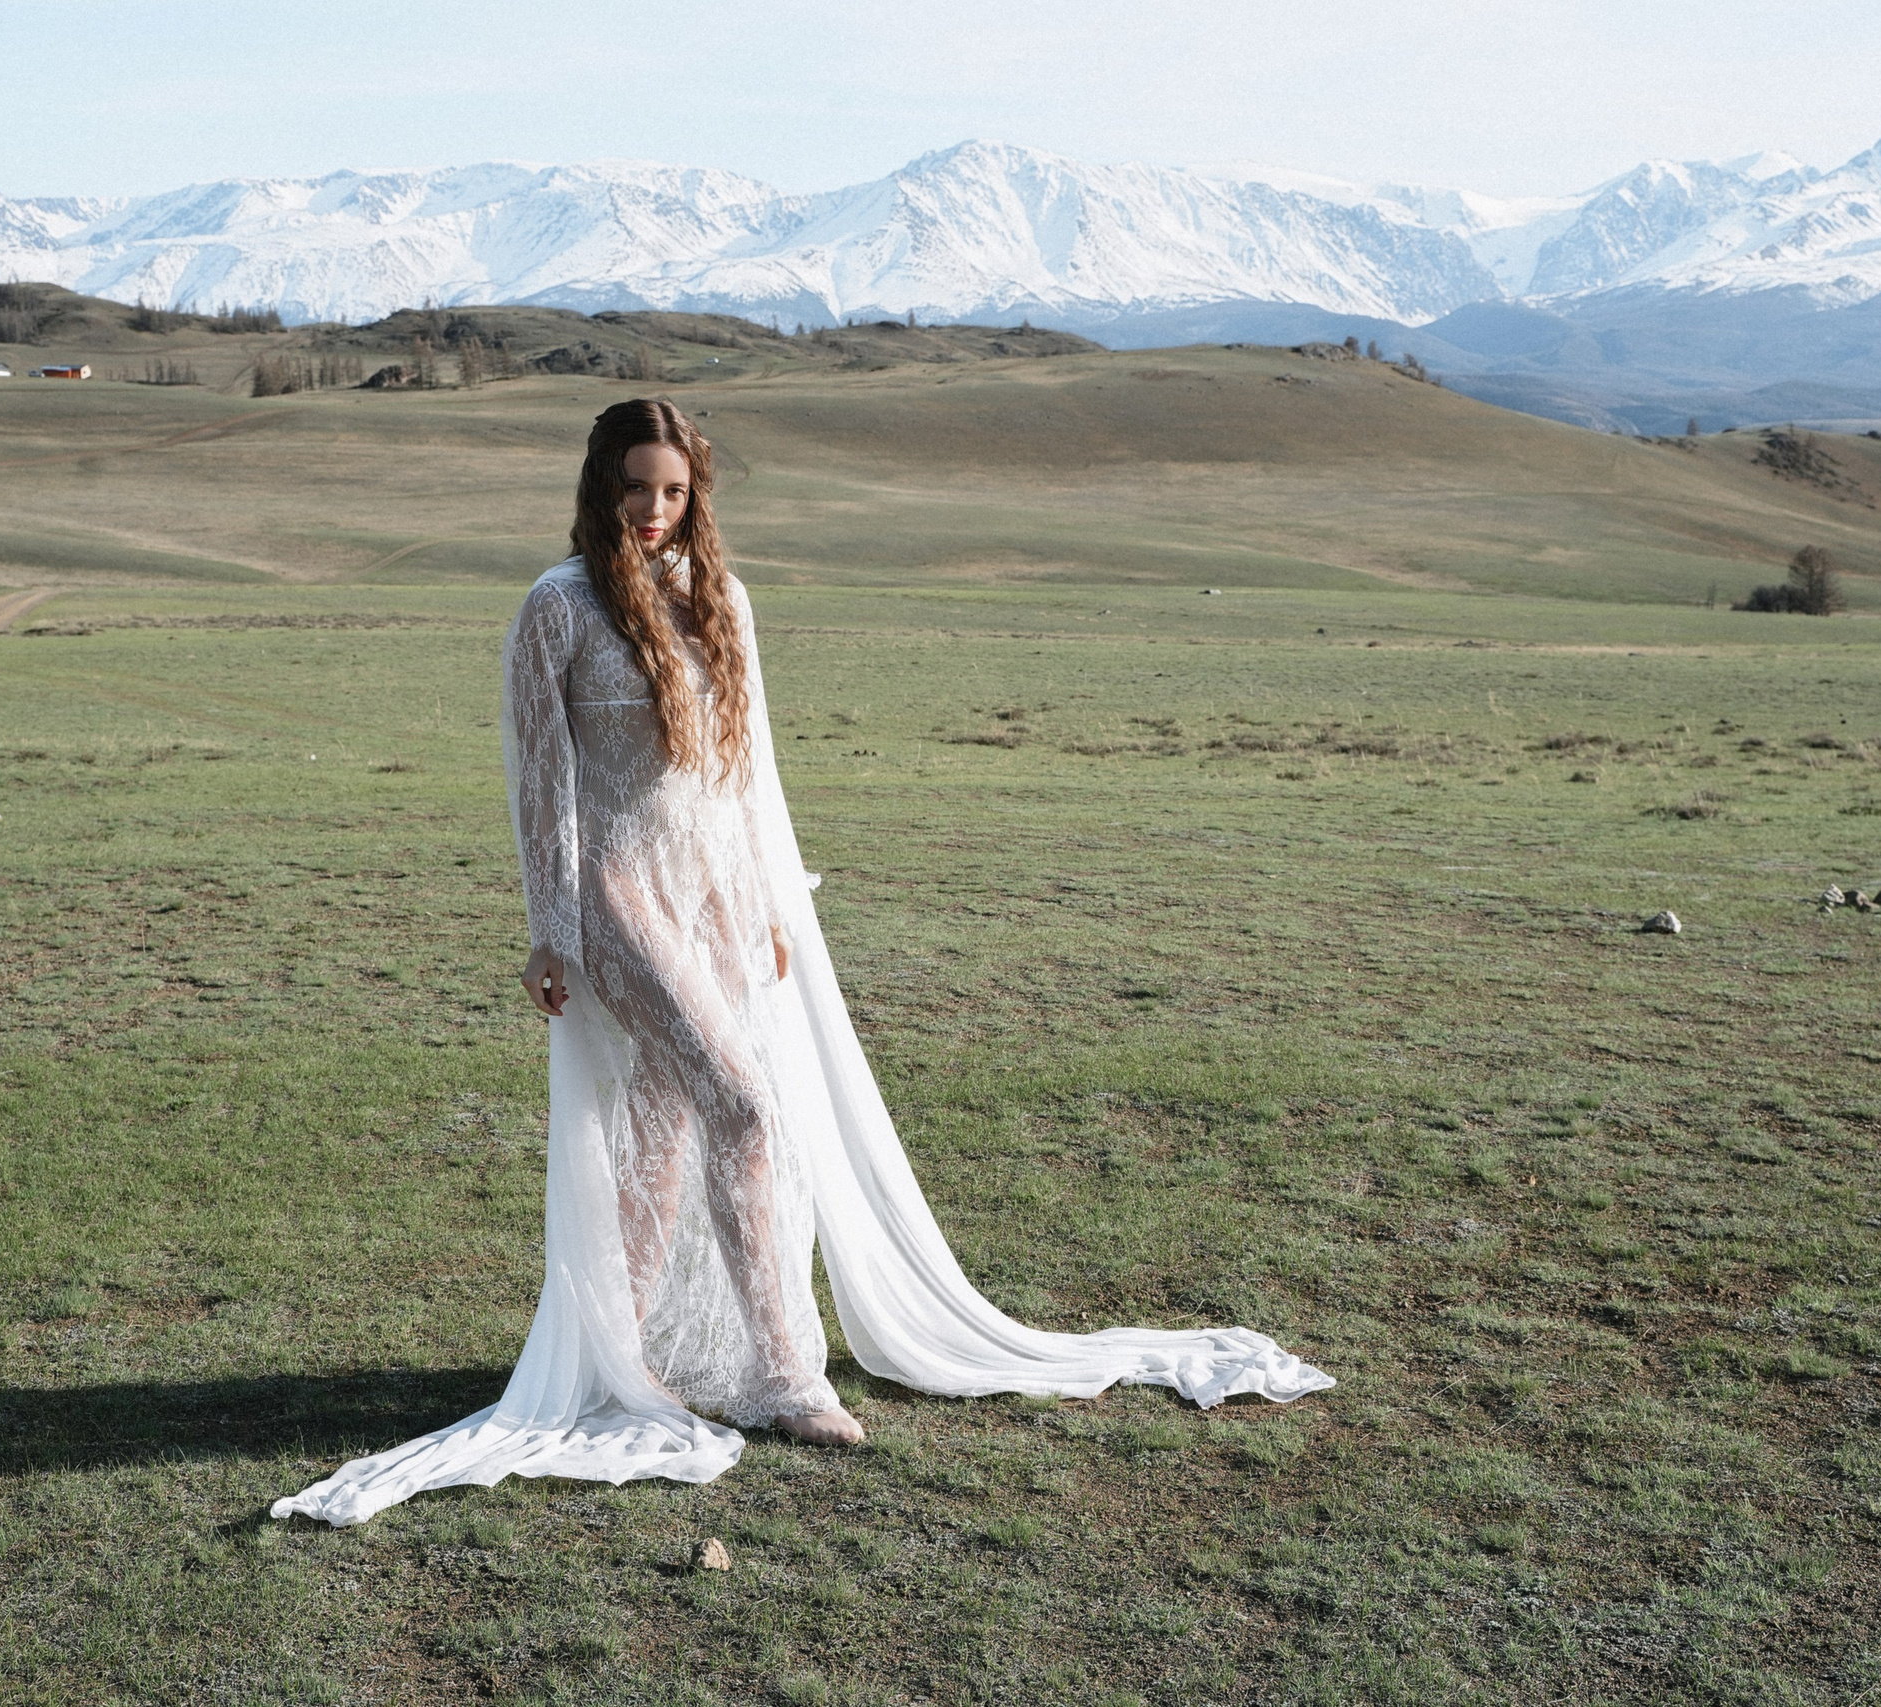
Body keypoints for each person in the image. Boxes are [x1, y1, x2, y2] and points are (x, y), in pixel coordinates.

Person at [274, 400, 1329, 1527]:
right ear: (600, 484)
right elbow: (544, 784)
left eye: (673, 491)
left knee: (672, 1127)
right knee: (743, 1107)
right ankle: (785, 1376)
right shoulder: (558, 606)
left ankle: (619, 1362)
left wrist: (773, 901)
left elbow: (748, 778)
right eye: (634, 486)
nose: (652, 509)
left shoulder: (721, 599)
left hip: (719, 894)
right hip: (618, 896)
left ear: (698, 495)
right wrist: (549, 926)